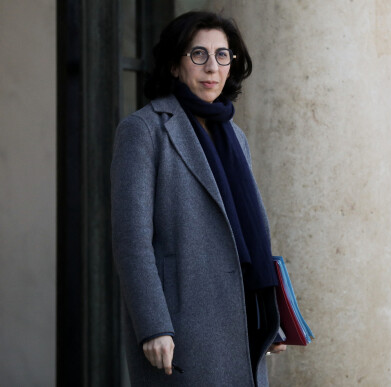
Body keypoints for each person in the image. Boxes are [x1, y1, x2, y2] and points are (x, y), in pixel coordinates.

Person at [111, 11, 286, 386]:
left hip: (245, 324)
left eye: (223, 55)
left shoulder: (235, 137)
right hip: (181, 331)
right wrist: (153, 325)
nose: (212, 67)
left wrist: (274, 316)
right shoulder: (144, 130)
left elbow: (248, 232)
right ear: (175, 65)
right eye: (198, 54)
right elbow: (131, 240)